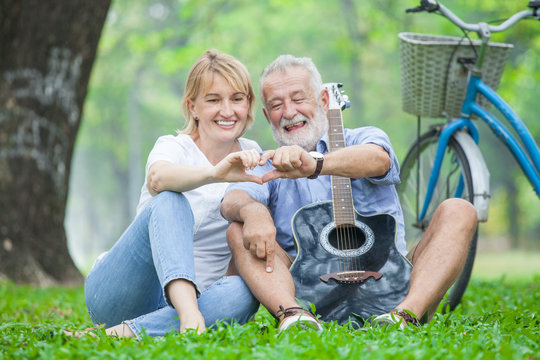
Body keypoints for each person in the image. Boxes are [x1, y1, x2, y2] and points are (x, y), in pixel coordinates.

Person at [220, 54, 478, 330]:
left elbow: (379, 160)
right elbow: (232, 199)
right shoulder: (268, 162)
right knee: (237, 229)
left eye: (298, 99)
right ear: (266, 115)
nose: (289, 111)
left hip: (394, 284)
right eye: (276, 104)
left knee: (460, 209)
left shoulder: (363, 138)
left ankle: (404, 316)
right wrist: (253, 212)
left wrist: (315, 165)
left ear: (322, 101)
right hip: (309, 294)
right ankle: (295, 317)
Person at [83, 50, 263, 338]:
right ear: (193, 107)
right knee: (169, 198)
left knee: (243, 292)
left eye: (237, 99)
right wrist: (214, 173)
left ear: (249, 104)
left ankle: (122, 334)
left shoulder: (255, 159)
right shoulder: (173, 146)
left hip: (189, 303)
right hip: (124, 292)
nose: (227, 111)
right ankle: (189, 316)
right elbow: (158, 179)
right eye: (213, 100)